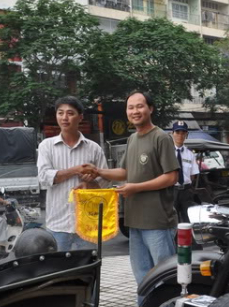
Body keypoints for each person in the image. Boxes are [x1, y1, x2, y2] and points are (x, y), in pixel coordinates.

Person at [87, 91, 179, 289]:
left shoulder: (161, 137)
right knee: (142, 277)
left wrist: (135, 188)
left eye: (140, 106)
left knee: (164, 276)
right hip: (134, 221)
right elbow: (124, 172)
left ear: (150, 109)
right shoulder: (132, 139)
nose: (135, 111)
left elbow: (171, 176)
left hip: (157, 222)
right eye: (131, 107)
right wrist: (98, 172)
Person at [37, 96, 109, 251]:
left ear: (80, 117)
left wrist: (90, 182)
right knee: (59, 273)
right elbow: (44, 178)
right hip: (58, 226)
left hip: (88, 225)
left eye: (70, 113)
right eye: (60, 113)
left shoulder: (93, 148)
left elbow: (105, 181)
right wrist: (76, 170)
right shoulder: (46, 146)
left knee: (88, 272)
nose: (64, 118)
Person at [171, 121, 199, 222]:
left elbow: (192, 175)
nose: (180, 135)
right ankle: (173, 238)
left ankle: (187, 238)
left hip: (186, 192)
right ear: (172, 133)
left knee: (187, 219)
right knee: (172, 220)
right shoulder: (167, 152)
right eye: (177, 132)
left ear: (186, 135)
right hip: (171, 191)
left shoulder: (190, 154)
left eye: (183, 133)